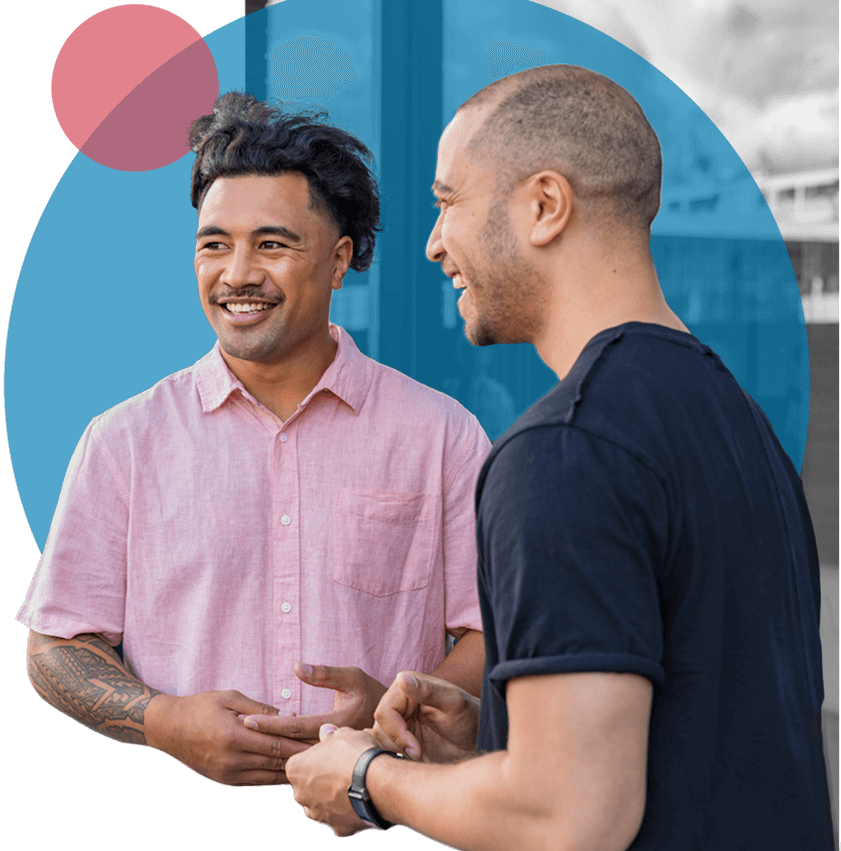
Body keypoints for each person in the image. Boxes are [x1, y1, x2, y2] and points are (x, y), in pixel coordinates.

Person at [279, 64, 836, 851]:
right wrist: (501, 724)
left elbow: (567, 819)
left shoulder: (564, 452)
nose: (435, 243)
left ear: (544, 206)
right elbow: (707, 715)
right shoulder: (735, 418)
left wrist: (366, 777)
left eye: (447, 202)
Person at [17, 92, 489, 787]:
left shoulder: (442, 435)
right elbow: (55, 644)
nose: (237, 274)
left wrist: (400, 708)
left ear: (339, 260)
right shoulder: (123, 439)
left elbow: (490, 629)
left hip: (383, 812)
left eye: (271, 244)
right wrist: (162, 719)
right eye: (215, 245)